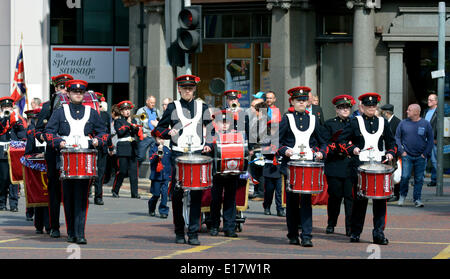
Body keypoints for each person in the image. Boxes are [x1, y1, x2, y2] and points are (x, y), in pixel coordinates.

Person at [45, 79, 108, 244]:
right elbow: (49, 132)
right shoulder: (60, 112)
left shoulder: (92, 112)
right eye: (74, 92)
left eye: (81, 92)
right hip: (65, 159)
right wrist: (59, 142)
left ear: (84, 94)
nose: (78, 95)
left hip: (85, 159)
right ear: (68, 93)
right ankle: (71, 231)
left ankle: (80, 232)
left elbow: (104, 132)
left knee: (82, 196)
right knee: (68, 196)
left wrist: (98, 141)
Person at [152, 74, 212, 246]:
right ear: (179, 89)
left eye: (190, 88)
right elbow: (159, 129)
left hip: (198, 154)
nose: (187, 90)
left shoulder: (202, 106)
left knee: (196, 194)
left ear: (194, 89)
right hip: (178, 155)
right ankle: (179, 231)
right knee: (177, 194)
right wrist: (167, 133)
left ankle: (193, 232)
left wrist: (208, 143)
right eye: (184, 87)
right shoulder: (173, 106)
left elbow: (211, 128)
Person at [340, 92, 396, 245]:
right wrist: (352, 149)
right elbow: (342, 140)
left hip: (379, 166)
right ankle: (355, 232)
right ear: (362, 107)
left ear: (376, 106)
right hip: (360, 167)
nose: (371, 108)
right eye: (368, 106)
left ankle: (378, 233)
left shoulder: (383, 122)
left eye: (373, 105)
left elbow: (392, 143)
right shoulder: (354, 121)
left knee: (380, 202)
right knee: (359, 201)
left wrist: (390, 154)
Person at [279, 86, 327, 247]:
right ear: (292, 101)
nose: (301, 103)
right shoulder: (287, 118)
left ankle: (307, 235)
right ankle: (292, 234)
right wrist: (284, 150)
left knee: (306, 201)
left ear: (308, 102)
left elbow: (323, 142)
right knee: (292, 201)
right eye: (298, 100)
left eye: (304, 100)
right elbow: (275, 142)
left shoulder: (314, 119)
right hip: (291, 165)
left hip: (308, 165)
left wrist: (321, 152)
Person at [35, 73, 73, 238]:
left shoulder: (77, 108)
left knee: (71, 191)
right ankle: (53, 225)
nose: (63, 90)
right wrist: (43, 136)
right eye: (60, 87)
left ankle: (73, 228)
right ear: (55, 88)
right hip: (53, 152)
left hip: (71, 152)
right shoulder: (47, 107)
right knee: (54, 190)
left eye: (66, 87)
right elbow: (37, 130)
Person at [323, 95, 355, 236]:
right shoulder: (330, 124)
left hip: (350, 165)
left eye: (347, 107)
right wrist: (342, 147)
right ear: (336, 109)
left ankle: (350, 227)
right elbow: (327, 143)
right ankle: (331, 223)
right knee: (335, 197)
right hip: (335, 164)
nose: (345, 110)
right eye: (341, 108)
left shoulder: (355, 123)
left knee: (350, 198)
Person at [207, 109, 240, 238]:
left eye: (227, 122)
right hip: (216, 173)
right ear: (216, 122)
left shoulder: (236, 135)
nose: (225, 125)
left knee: (230, 200)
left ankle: (229, 228)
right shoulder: (212, 135)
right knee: (215, 199)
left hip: (232, 172)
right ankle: (214, 225)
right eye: (222, 122)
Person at [396, 104, 434, 208]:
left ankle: (417, 199)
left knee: (419, 179)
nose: (407, 111)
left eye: (409, 110)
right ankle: (402, 196)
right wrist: (401, 151)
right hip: (406, 155)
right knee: (405, 177)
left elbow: (430, 140)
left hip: (420, 156)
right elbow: (397, 138)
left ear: (416, 112)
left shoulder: (426, 124)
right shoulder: (403, 123)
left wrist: (425, 154)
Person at [23, 107, 50, 234]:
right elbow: (27, 154)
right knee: (39, 198)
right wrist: (37, 156)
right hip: (37, 169)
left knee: (50, 198)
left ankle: (50, 224)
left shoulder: (52, 132)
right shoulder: (32, 133)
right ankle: (39, 225)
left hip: (50, 168)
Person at [111, 100, 142, 199]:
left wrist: (136, 128)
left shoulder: (134, 121)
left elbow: (136, 133)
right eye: (125, 110)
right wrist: (128, 125)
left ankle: (134, 193)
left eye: (128, 109)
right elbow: (120, 133)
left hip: (132, 147)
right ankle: (115, 189)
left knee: (134, 172)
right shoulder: (118, 121)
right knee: (122, 171)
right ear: (121, 111)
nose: (127, 111)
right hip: (123, 147)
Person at [0, 97, 26, 212]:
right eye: (5, 107)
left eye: (9, 107)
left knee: (14, 180)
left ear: (12, 107)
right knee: (3, 178)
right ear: (1, 108)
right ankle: (1, 203)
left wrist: (16, 121)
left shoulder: (18, 119)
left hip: (14, 152)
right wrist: (3, 119)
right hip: (2, 152)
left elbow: (22, 134)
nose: (7, 109)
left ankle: (14, 204)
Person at [90, 92, 112, 205]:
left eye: (97, 102)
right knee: (88, 171)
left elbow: (107, 132)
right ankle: (87, 192)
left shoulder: (105, 115)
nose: (96, 104)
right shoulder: (87, 113)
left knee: (101, 172)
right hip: (89, 147)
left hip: (102, 147)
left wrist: (110, 146)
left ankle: (98, 196)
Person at [380, 103, 402, 201]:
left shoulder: (397, 122)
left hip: (394, 151)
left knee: (395, 174)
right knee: (388, 173)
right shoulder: (384, 121)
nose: (381, 113)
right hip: (385, 151)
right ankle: (389, 192)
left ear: (387, 113)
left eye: (382, 111)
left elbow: (398, 139)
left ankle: (396, 194)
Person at [147, 139, 171, 218]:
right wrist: (158, 151)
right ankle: (151, 207)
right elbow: (152, 160)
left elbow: (169, 164)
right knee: (156, 194)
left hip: (165, 176)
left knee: (164, 194)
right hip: (156, 176)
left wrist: (170, 175)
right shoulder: (153, 148)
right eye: (159, 138)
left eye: (162, 139)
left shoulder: (167, 149)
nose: (161, 140)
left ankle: (163, 211)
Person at [135, 96, 160, 165]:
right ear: (147, 102)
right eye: (151, 102)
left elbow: (160, 123)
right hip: (145, 136)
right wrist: (141, 133)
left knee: (154, 156)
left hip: (154, 137)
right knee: (141, 156)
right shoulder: (141, 111)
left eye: (154, 103)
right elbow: (137, 123)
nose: (153, 104)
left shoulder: (156, 111)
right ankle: (132, 171)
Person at [422, 93, 437, 187]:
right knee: (422, 161)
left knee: (435, 161)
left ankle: (435, 180)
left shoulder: (440, 112)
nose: (428, 101)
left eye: (431, 100)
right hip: (424, 141)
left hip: (434, 141)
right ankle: (420, 180)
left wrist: (438, 139)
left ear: (436, 101)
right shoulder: (426, 111)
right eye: (428, 100)